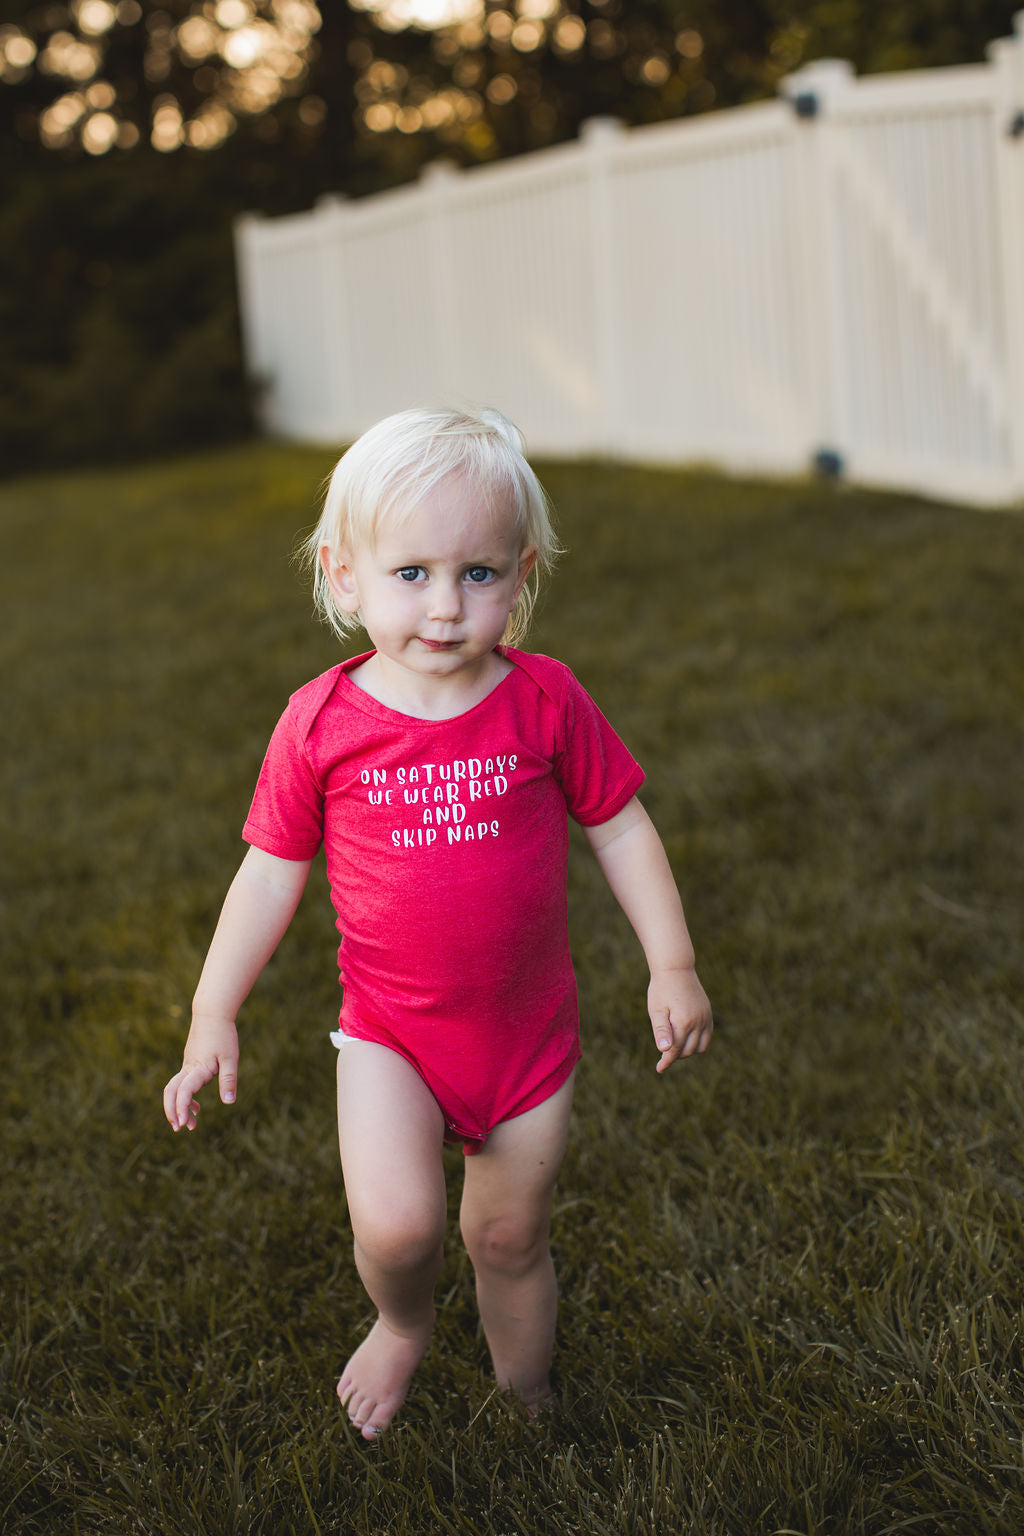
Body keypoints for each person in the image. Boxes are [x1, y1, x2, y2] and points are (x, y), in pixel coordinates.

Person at [163, 407, 712, 1440]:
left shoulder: (544, 701)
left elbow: (621, 827)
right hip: (392, 1036)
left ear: (524, 573)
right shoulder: (322, 724)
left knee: (508, 1235)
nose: (448, 608)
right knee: (401, 1224)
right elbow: (269, 875)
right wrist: (212, 1009)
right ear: (342, 575)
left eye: (480, 574)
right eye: (410, 574)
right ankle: (402, 1321)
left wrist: (670, 961)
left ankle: (527, 1399)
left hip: (523, 1037)